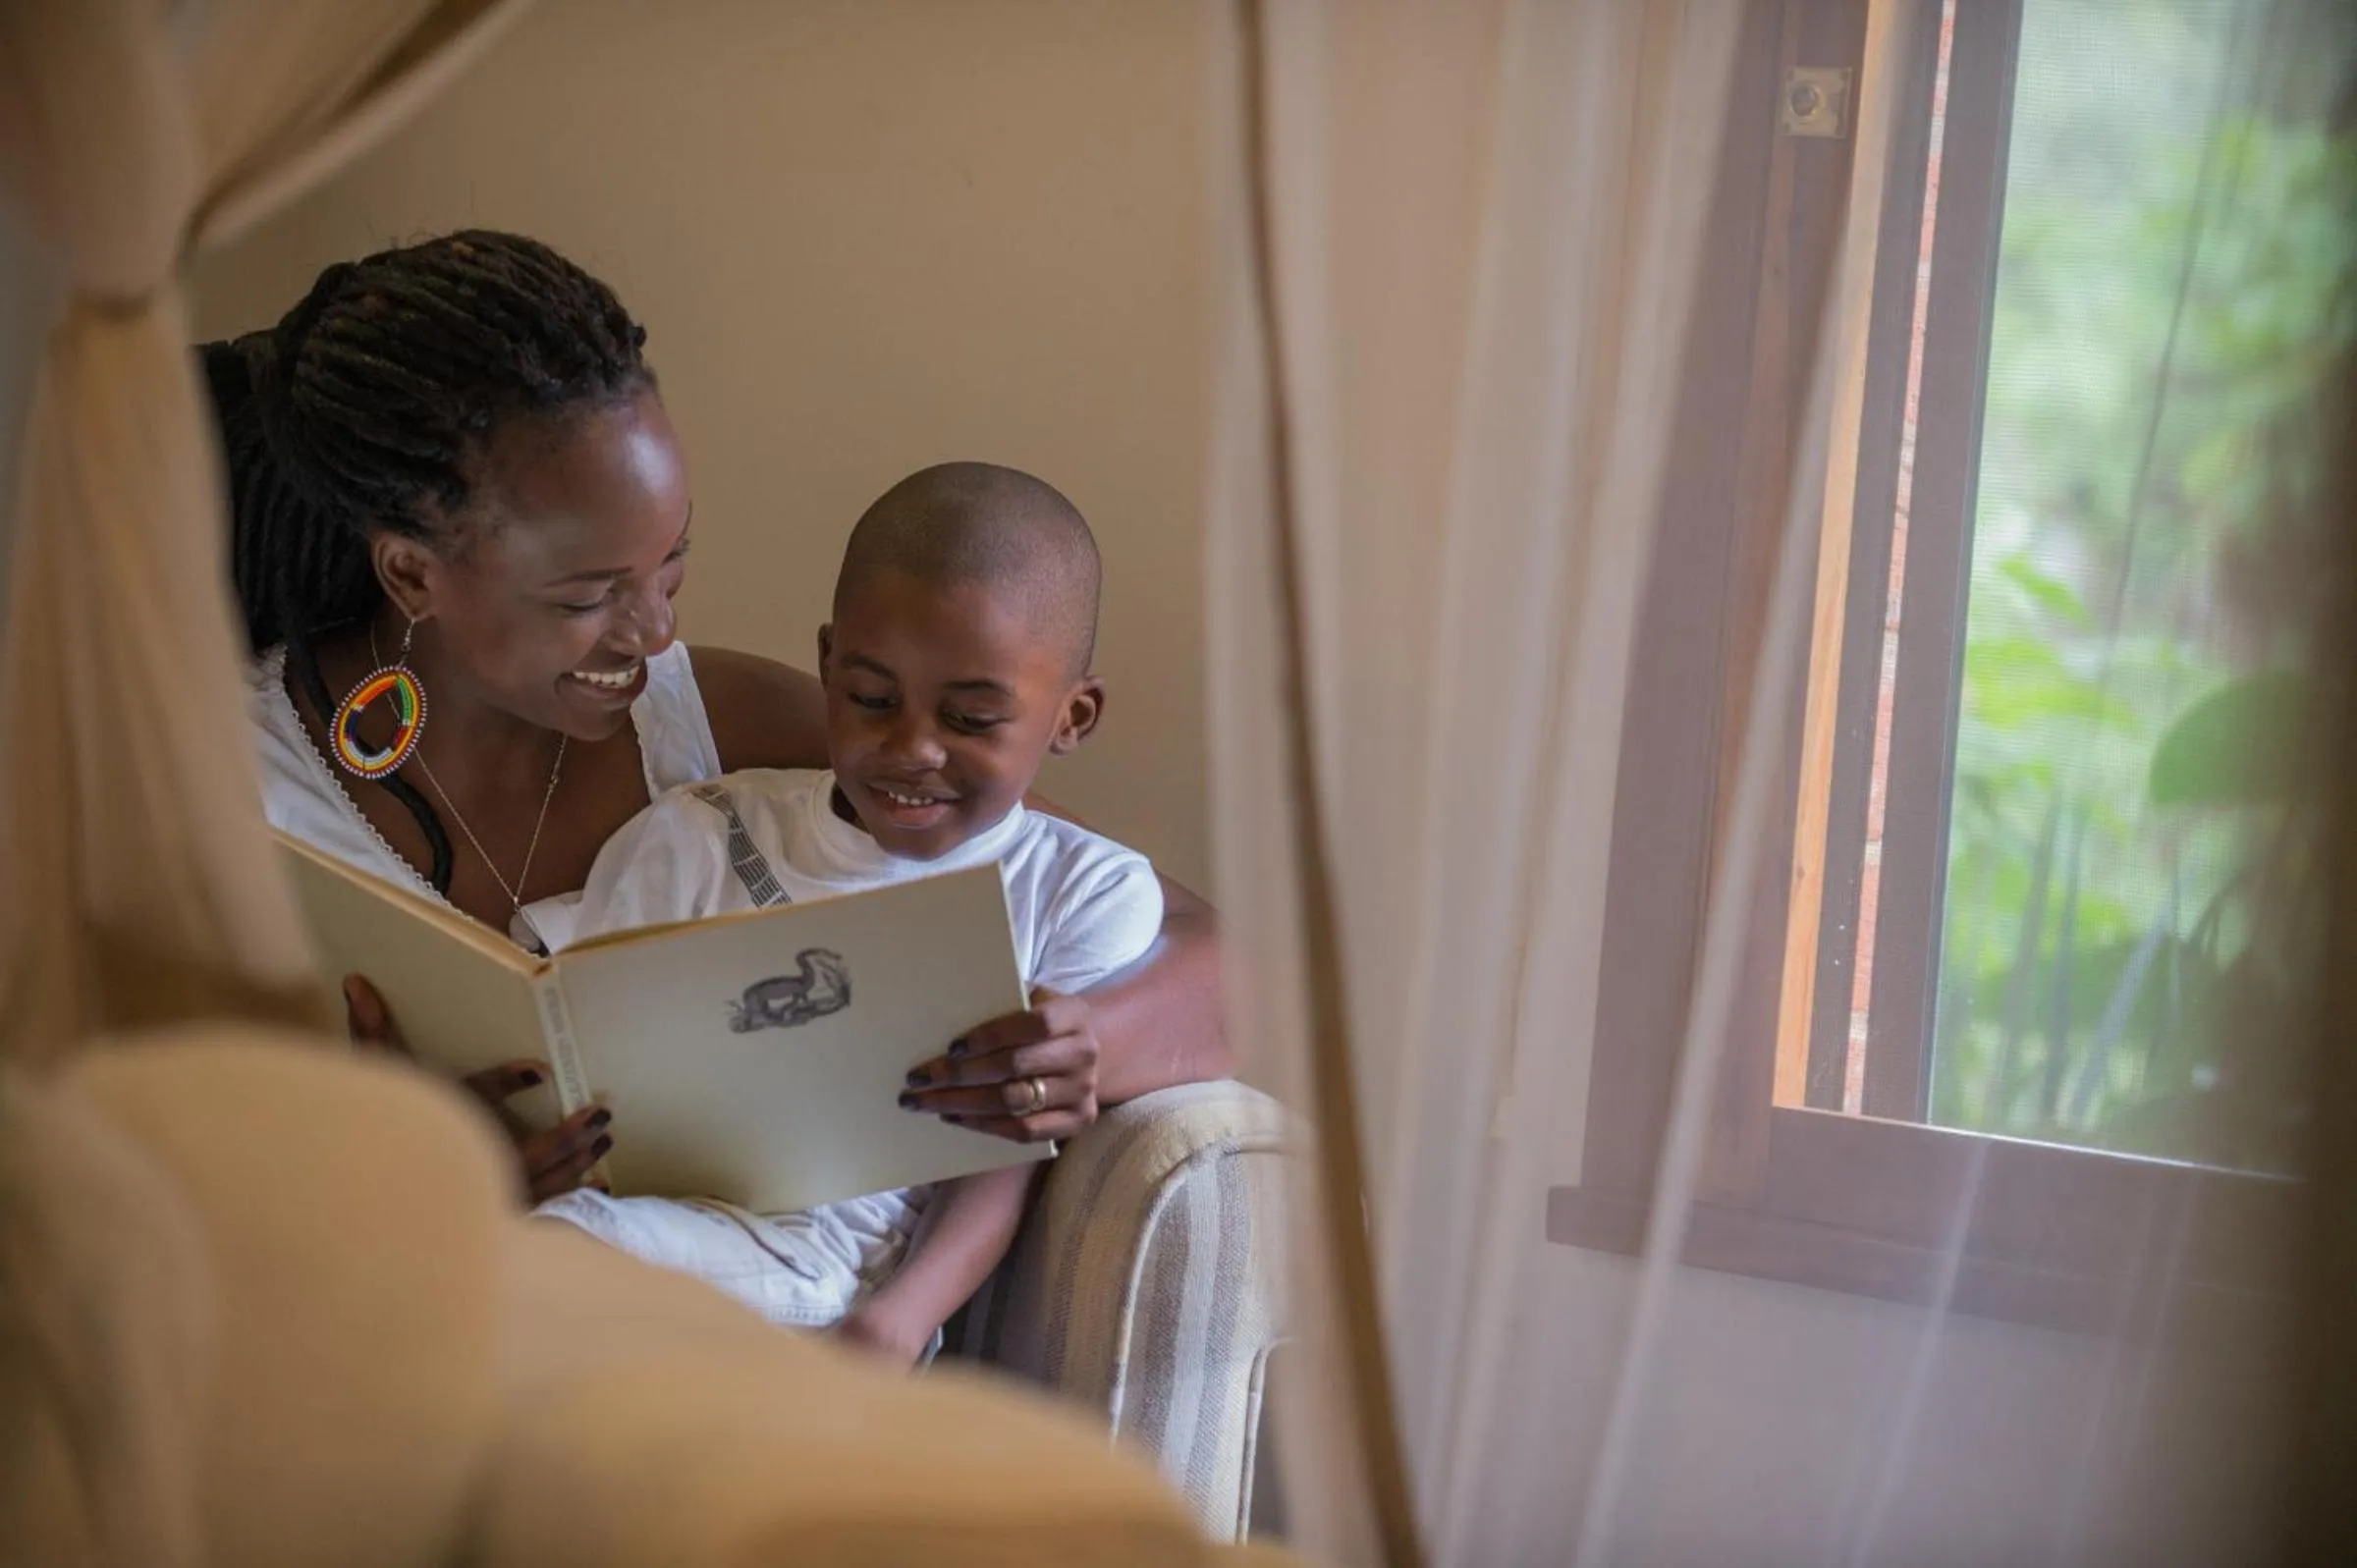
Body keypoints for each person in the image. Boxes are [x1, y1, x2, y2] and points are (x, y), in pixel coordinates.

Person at [208, 230, 1227, 1204]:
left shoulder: (712, 719)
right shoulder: (233, 790)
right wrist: (390, 1167)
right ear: (410, 572)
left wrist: (1080, 1042)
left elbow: (1218, 958)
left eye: (671, 564)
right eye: (589, 596)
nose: (655, 633)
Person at [522, 461, 1157, 1365]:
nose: (913, 748)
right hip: (635, 1214)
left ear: (1072, 716)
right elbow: (583, 1046)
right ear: (827, 665)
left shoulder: (1079, 892)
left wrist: (896, 1322)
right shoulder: (703, 830)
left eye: (971, 719)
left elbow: (1008, 1155)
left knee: (553, 1252)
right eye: (872, 701)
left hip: (822, 1271)